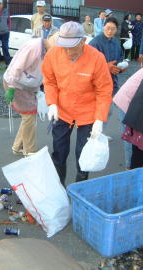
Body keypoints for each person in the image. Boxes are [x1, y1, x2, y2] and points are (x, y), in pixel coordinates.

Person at [42, 22, 113, 184]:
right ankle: (59, 188)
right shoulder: (53, 54)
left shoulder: (96, 58)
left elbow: (104, 90)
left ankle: (79, 189)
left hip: (87, 113)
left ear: (83, 41)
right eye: (64, 47)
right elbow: (50, 81)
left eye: (72, 47)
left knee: (83, 155)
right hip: (62, 110)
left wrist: (99, 120)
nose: (67, 52)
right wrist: (52, 103)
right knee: (59, 152)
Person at [4, 38, 53, 157]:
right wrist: (11, 87)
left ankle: (17, 146)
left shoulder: (44, 48)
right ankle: (30, 151)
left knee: (28, 117)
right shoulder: (34, 47)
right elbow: (17, 66)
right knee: (29, 116)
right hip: (17, 85)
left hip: (27, 87)